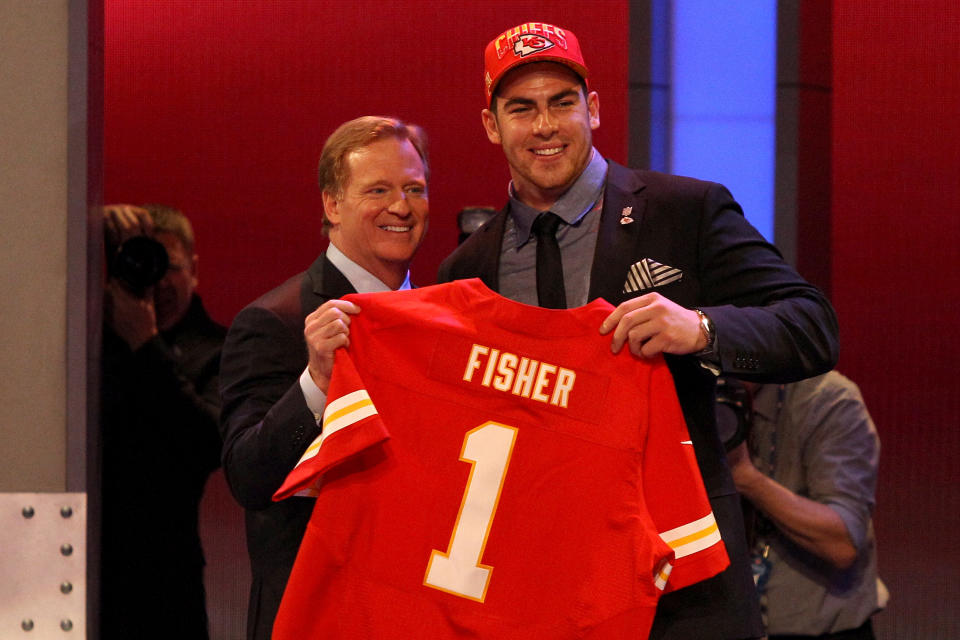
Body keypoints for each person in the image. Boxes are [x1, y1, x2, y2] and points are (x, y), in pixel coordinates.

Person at [437, 22, 839, 640]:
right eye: (521, 108)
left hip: (683, 571)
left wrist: (700, 327)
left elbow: (812, 327)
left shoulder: (686, 210)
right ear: (492, 126)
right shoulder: (467, 270)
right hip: (539, 578)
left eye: (562, 103)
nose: (544, 126)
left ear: (593, 109)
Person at [218, 116, 430, 640]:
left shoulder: (445, 317)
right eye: (377, 190)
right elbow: (247, 476)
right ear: (332, 204)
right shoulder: (275, 321)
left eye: (414, 189)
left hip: (420, 613)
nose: (401, 207)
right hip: (314, 619)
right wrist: (315, 380)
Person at [100, 203, 225, 639]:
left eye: (169, 266)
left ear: (193, 269)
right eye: (143, 263)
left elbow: (206, 444)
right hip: (85, 564)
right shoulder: (89, 337)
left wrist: (145, 343)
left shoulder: (218, 348)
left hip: (165, 582)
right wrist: (85, 223)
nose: (159, 281)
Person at [725, 371, 885, 639]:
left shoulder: (828, 398)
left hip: (818, 627)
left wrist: (746, 478)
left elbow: (843, 541)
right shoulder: (680, 395)